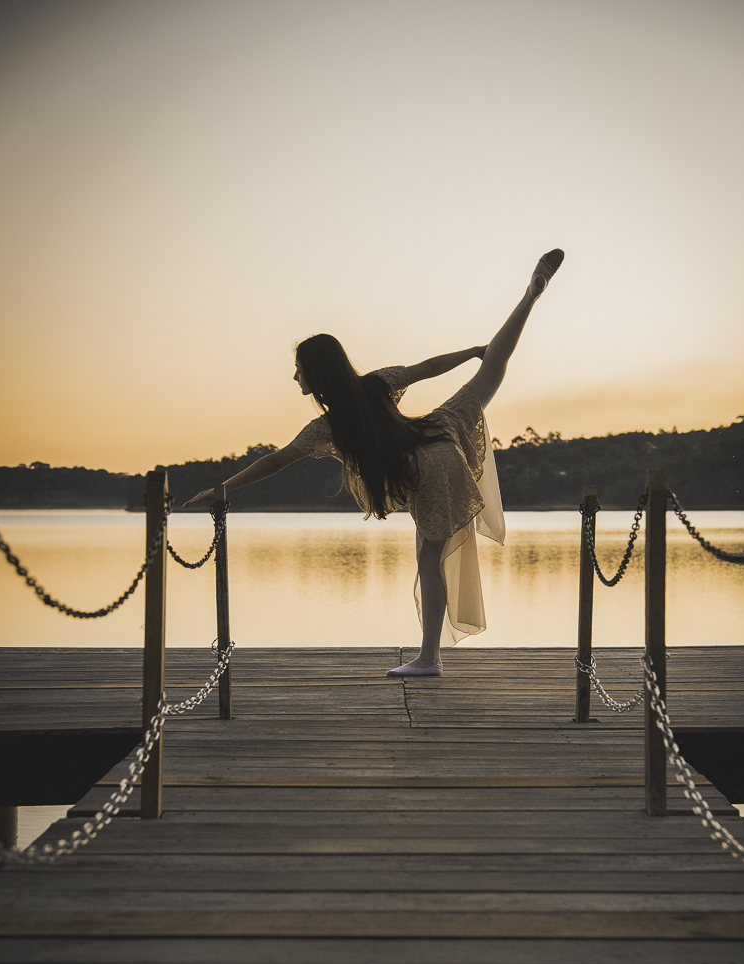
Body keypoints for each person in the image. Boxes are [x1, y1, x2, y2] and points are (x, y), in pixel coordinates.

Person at [184, 249, 564, 675]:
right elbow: (430, 366)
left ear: (316, 374)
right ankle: (530, 296)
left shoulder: (326, 427)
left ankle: (430, 659)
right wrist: (476, 351)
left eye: (298, 369)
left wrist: (220, 489)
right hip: (438, 434)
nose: (295, 377)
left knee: (429, 563)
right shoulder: (377, 383)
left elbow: (273, 463)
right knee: (492, 370)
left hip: (421, 465)